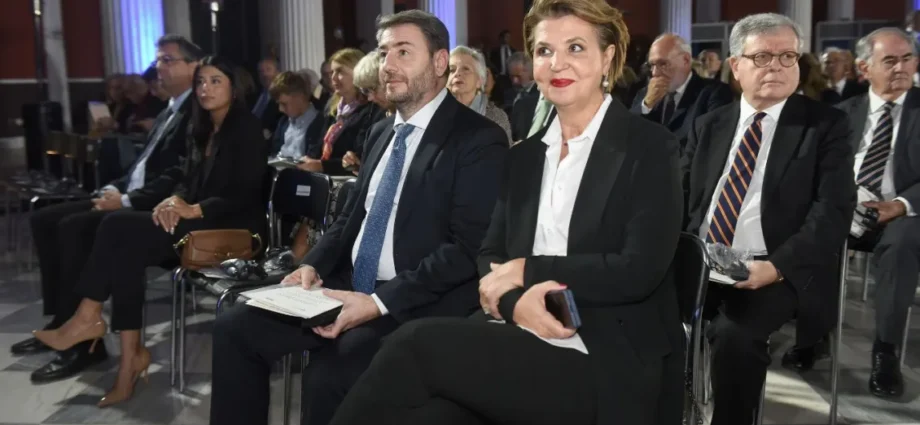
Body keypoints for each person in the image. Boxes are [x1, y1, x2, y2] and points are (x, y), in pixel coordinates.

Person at [327, 1, 684, 424]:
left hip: (605, 353)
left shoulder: (649, 147)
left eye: (575, 47)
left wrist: (526, 270)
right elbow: (490, 254)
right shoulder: (525, 157)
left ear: (607, 58)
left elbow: (638, 270)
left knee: (412, 343)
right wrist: (515, 304)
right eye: (544, 50)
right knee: (428, 415)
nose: (557, 63)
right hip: (519, 331)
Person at [207, 10, 508, 425]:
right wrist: (312, 264)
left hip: (413, 300)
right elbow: (351, 216)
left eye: (404, 52)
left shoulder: (478, 139)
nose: (388, 65)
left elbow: (465, 250)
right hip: (345, 285)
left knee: (329, 376)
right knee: (234, 327)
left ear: (440, 62)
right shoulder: (382, 132)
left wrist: (377, 303)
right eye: (384, 53)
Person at [32, 55, 268, 407]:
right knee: (124, 249)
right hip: (201, 224)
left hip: (236, 232)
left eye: (215, 81)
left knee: (117, 226)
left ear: (235, 88)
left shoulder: (246, 127)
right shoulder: (202, 127)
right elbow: (186, 180)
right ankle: (130, 360)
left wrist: (193, 208)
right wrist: (172, 200)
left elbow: (245, 193)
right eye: (201, 82)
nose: (205, 88)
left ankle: (88, 317)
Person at [681, 13, 854, 425]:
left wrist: (775, 268)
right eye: (762, 57)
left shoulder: (824, 125)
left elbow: (832, 212)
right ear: (735, 66)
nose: (776, 66)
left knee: (734, 337)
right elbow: (681, 197)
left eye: (787, 56)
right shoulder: (709, 124)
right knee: (632, 313)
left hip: (772, 265)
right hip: (701, 260)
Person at [11, 34, 200, 384]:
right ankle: (61, 319)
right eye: (158, 60)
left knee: (74, 227)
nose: (158, 67)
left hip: (151, 204)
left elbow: (178, 175)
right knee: (44, 219)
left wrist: (126, 201)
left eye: (167, 60)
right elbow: (141, 166)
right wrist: (115, 189)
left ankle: (84, 345)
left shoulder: (195, 113)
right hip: (130, 193)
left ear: (193, 66)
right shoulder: (168, 110)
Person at [790, 27, 920, 399]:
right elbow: (818, 169)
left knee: (900, 246)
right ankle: (814, 336)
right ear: (865, 68)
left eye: (907, 59)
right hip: (848, 206)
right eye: (889, 61)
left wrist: (900, 205)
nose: (900, 68)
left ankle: (886, 352)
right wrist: (841, 199)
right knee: (812, 233)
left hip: (906, 212)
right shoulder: (841, 114)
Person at [631, 33, 733, 150]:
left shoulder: (714, 93)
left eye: (663, 64)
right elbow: (627, 133)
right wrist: (646, 105)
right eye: (652, 65)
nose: (655, 73)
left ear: (685, 60)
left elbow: (711, 143)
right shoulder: (644, 94)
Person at [300, 48, 384, 176]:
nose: (333, 78)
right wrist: (308, 161)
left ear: (357, 72)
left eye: (339, 71)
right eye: (331, 72)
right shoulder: (333, 108)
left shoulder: (372, 109)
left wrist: (322, 166)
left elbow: (359, 158)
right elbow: (317, 144)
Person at [449, 45, 513, 142]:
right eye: (452, 70)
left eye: (466, 69)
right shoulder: (435, 113)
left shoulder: (496, 117)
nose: (457, 73)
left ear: (479, 81)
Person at [348, 52, 394, 175]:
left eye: (372, 89)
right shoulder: (375, 113)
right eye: (365, 91)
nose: (370, 98)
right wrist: (358, 163)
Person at [268, 71, 324, 159]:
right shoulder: (283, 122)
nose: (280, 109)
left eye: (284, 104)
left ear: (300, 97)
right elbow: (274, 150)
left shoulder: (320, 123)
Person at [253, 56, 283, 139]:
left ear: (278, 72)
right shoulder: (253, 96)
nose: (264, 74)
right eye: (261, 71)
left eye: (268, 69)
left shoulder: (283, 97)